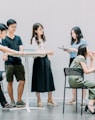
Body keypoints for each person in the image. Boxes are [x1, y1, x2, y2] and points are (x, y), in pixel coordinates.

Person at [30, 23, 57, 107]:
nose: (42, 31)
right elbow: (36, 52)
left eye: (42, 29)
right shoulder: (33, 40)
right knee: (38, 80)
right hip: (38, 61)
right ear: (35, 30)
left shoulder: (44, 39)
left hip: (46, 60)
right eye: (40, 29)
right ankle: (39, 100)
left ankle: (50, 99)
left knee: (49, 79)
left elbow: (45, 50)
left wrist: (48, 55)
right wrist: (47, 52)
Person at [2, 19, 25, 108]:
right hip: (9, 64)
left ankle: (19, 100)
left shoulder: (18, 38)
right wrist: (6, 55)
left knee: (22, 81)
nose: (14, 28)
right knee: (10, 82)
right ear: (8, 27)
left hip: (18, 62)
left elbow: (21, 48)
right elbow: (5, 50)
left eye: (15, 27)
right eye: (12, 27)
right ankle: (12, 100)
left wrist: (21, 52)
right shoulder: (4, 39)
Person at [63, 27, 87, 105]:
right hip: (72, 60)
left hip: (79, 60)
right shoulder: (73, 42)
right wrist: (67, 50)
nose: (72, 34)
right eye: (71, 33)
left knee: (81, 79)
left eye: (73, 33)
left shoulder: (83, 41)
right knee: (72, 78)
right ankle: (74, 98)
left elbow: (84, 51)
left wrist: (74, 50)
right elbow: (72, 53)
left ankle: (84, 99)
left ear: (77, 33)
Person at [68, 44, 95, 114]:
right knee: (94, 85)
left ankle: (90, 104)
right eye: (88, 49)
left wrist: (92, 60)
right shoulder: (81, 57)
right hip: (77, 80)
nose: (89, 50)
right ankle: (90, 104)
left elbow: (89, 70)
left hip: (73, 81)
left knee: (93, 86)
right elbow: (86, 71)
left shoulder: (80, 58)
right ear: (84, 51)